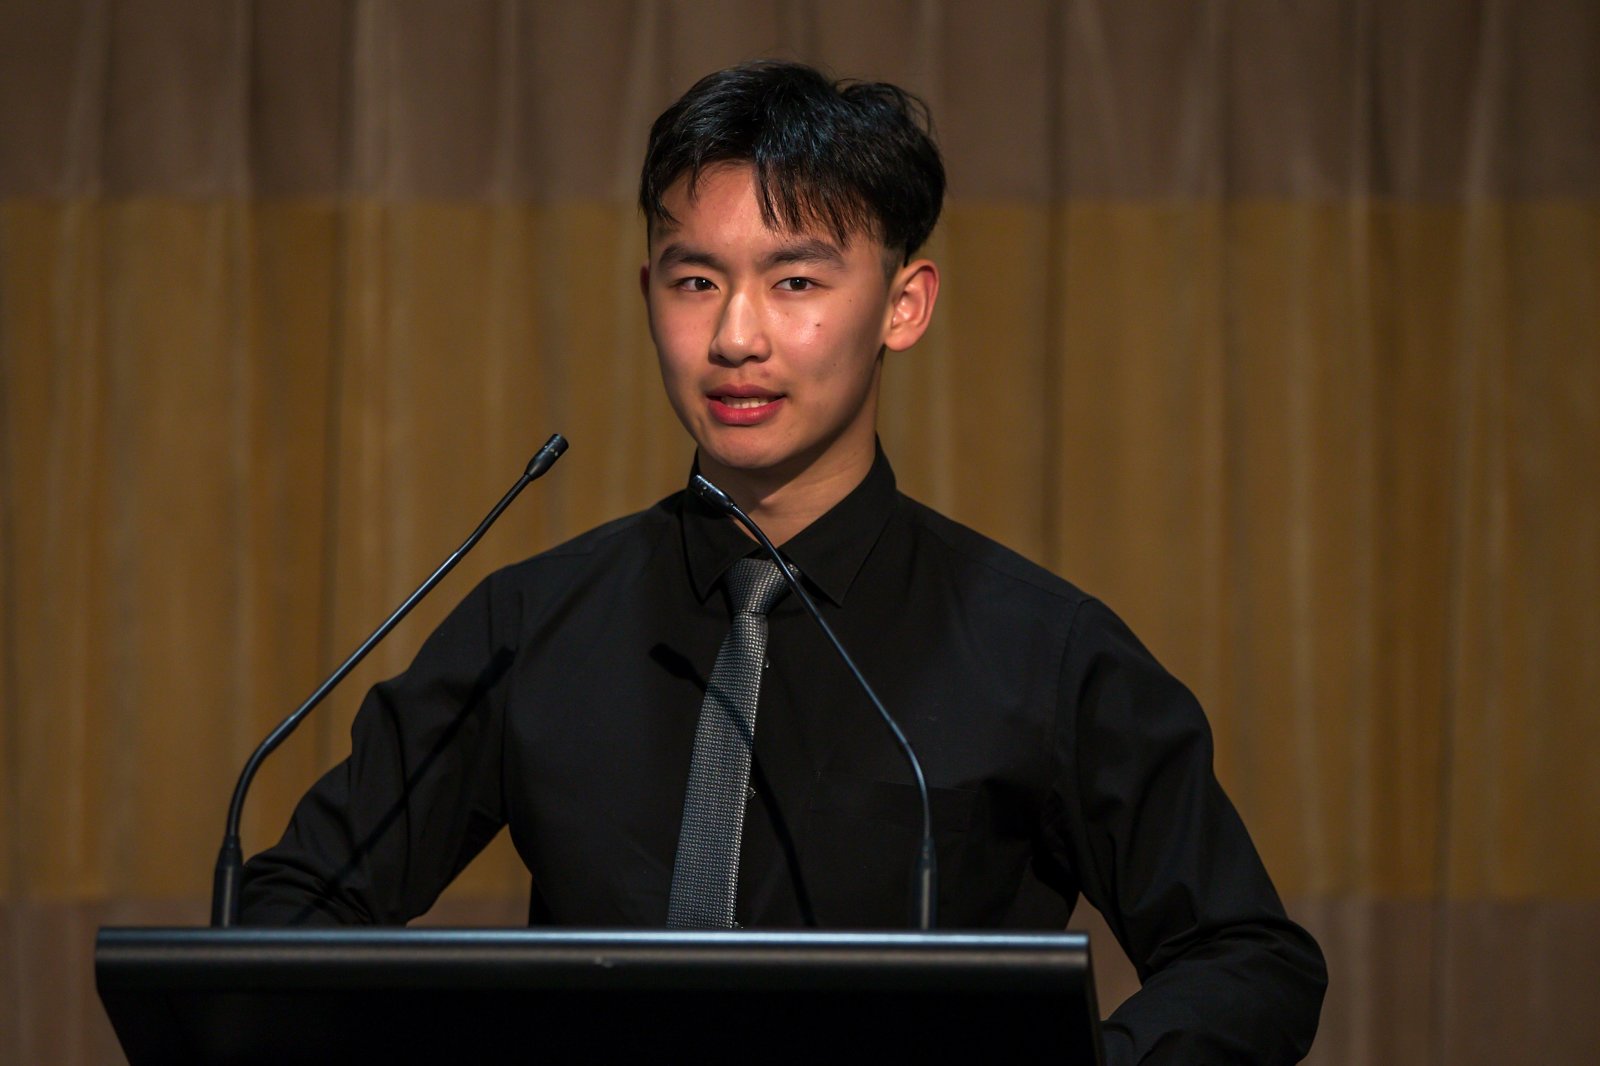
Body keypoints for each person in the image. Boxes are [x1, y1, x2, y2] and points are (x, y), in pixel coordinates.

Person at [242, 60, 1326, 1062]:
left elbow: (1248, 958)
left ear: (903, 305)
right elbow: (296, 906)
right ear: (648, 293)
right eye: (695, 282)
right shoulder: (531, 623)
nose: (735, 339)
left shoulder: (1041, 650)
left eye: (796, 282)